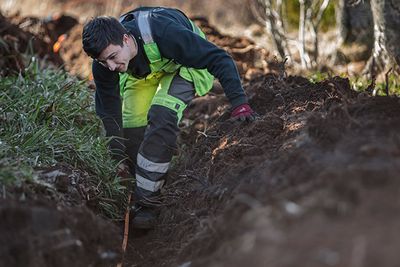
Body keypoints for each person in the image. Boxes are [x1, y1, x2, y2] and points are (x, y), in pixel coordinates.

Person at [82, 6, 257, 229]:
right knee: (131, 126)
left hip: (183, 66)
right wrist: (118, 157)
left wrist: (239, 104)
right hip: (143, 73)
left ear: (126, 39)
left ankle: (149, 203)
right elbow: (109, 113)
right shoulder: (106, 64)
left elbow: (219, 58)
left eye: (113, 58)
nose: (111, 66)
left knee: (161, 115)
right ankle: (141, 185)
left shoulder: (164, 32)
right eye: (104, 62)